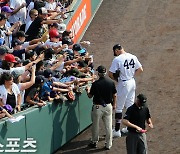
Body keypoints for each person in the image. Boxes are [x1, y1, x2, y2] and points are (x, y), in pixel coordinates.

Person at [108, 44, 143, 137]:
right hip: (132, 82)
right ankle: (129, 127)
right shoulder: (133, 56)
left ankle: (117, 131)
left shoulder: (117, 59)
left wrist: (117, 79)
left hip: (123, 84)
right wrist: (131, 76)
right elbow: (140, 69)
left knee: (119, 108)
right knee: (130, 105)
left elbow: (110, 74)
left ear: (116, 50)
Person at [86, 65, 117, 150]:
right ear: (105, 72)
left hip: (97, 107)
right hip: (108, 106)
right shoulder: (111, 82)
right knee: (108, 126)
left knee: (95, 125)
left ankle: (94, 142)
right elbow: (114, 95)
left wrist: (88, 90)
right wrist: (114, 105)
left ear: (98, 73)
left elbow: (90, 95)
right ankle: (108, 144)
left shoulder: (95, 84)